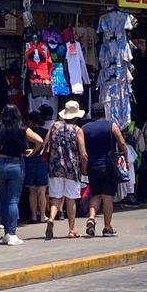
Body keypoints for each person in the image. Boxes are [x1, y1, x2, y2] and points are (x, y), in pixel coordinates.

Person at [0, 105, 42, 246]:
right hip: (16, 163)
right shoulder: (22, 128)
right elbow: (39, 141)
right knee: (13, 200)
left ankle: (6, 233)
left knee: (4, 200)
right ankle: (12, 233)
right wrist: (32, 151)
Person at [82, 104, 127, 237]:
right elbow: (122, 143)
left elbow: (82, 150)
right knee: (107, 197)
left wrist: (84, 168)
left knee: (96, 194)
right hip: (108, 165)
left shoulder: (84, 128)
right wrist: (125, 156)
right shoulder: (111, 125)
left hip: (92, 166)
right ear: (104, 112)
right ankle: (107, 228)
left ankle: (91, 218)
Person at [44, 101, 87, 239]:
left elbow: (45, 145)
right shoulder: (77, 130)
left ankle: (51, 218)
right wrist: (84, 169)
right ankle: (71, 229)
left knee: (56, 197)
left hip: (55, 167)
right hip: (72, 169)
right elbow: (83, 153)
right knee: (71, 199)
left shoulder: (54, 126)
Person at [26, 106, 52, 224]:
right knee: (42, 191)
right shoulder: (45, 132)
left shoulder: (27, 133)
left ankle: (33, 216)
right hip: (42, 162)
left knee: (32, 191)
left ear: (32, 121)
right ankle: (42, 215)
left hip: (29, 162)